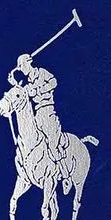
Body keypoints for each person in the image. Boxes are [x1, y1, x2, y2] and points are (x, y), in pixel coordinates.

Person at [8, 53, 71, 193]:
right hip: (37, 115)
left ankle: (65, 176)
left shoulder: (42, 72)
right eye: (19, 67)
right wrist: (14, 83)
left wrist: (37, 89)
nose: (21, 69)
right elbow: (21, 94)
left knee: (53, 143)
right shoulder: (27, 83)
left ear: (28, 63)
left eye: (22, 66)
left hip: (48, 112)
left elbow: (54, 82)